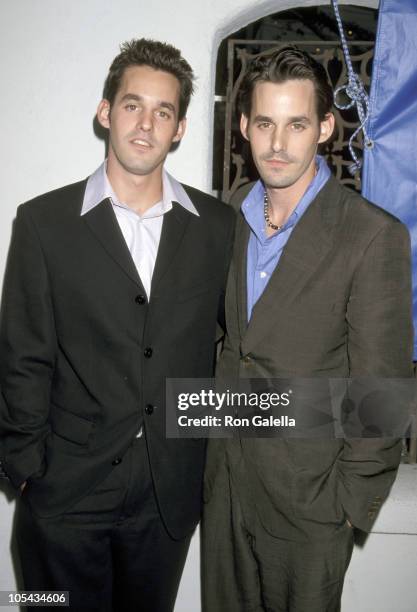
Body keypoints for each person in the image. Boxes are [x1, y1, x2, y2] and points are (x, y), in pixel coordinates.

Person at [0, 38, 234, 612]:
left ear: (179, 128)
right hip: (63, 491)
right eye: (133, 105)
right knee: (44, 607)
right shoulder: (42, 222)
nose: (146, 124)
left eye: (163, 111)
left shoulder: (217, 228)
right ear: (106, 112)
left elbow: (225, 349)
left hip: (167, 494)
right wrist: (27, 471)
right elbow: (21, 354)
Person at [202, 46, 413, 612]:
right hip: (225, 486)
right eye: (265, 123)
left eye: (296, 124)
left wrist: (346, 506)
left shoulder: (371, 234)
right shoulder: (229, 212)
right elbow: (230, 348)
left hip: (312, 505)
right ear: (244, 125)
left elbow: (382, 391)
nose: (277, 143)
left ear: (324, 127)